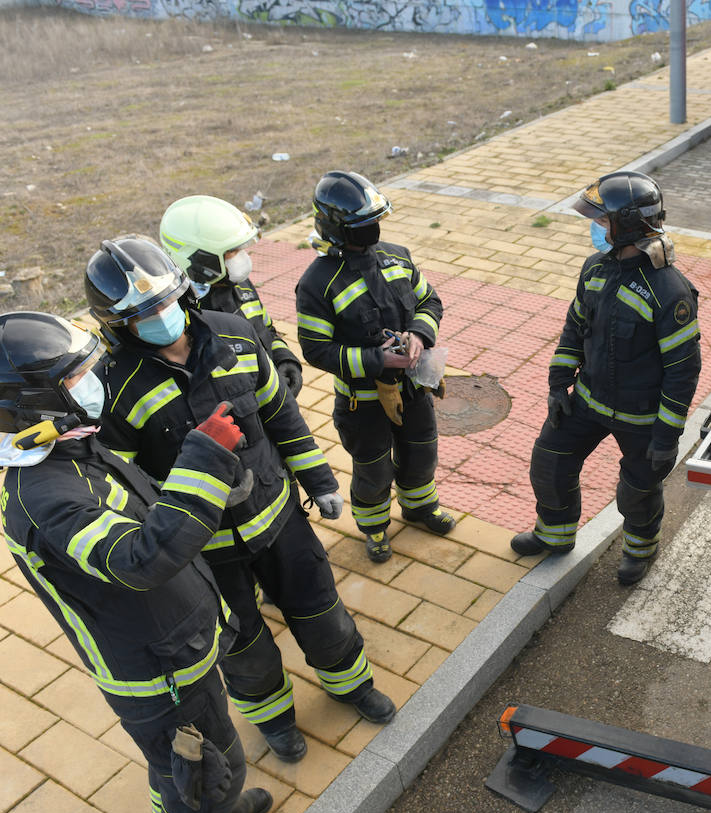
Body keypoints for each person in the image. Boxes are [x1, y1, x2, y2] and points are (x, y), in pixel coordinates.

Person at [0, 311, 286, 813]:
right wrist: (206, 458)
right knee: (198, 772)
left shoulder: (68, 449)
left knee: (187, 766)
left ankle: (211, 804)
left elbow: (148, 511)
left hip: (176, 648)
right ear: (33, 404)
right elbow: (142, 558)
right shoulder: (46, 500)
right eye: (75, 376)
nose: (93, 381)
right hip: (156, 675)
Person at [86, 235, 395, 767]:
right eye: (142, 315)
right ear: (117, 325)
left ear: (183, 293)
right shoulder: (115, 388)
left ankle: (351, 684)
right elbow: (129, 486)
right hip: (205, 552)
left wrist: (319, 480)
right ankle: (275, 721)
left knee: (321, 609)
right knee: (240, 644)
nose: (160, 318)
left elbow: (281, 415)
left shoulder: (236, 334)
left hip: (279, 519)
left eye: (165, 302)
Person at [510, 171, 701, 586]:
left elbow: (683, 370)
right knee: (549, 463)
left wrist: (666, 437)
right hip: (587, 401)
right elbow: (574, 328)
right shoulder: (595, 269)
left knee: (637, 491)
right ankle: (555, 535)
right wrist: (558, 384)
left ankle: (640, 549)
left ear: (627, 225)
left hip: (641, 418)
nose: (595, 229)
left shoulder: (670, 292)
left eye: (601, 221)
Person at [294, 170, 457, 564]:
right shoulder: (316, 283)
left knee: (421, 452)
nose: (373, 229)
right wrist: (377, 360)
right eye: (362, 224)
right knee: (373, 468)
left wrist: (419, 335)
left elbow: (429, 302)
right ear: (336, 227)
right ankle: (374, 527)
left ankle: (419, 507)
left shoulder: (397, 256)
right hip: (362, 402)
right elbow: (316, 350)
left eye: (375, 220)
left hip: (413, 388)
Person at [159, 194, 306, 397]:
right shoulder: (181, 316)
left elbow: (266, 328)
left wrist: (283, 359)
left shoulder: (239, 284)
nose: (242, 257)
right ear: (201, 260)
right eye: (233, 251)